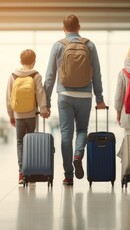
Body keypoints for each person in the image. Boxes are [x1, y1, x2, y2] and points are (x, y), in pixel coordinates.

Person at [44, 14, 106, 185]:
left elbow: (50, 76)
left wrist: (46, 103)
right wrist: (99, 98)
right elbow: (97, 74)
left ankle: (68, 175)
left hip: (64, 95)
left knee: (66, 135)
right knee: (82, 130)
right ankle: (78, 154)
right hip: (85, 95)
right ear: (79, 27)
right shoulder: (90, 45)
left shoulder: (58, 46)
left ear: (64, 29)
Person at [6, 49, 49, 185]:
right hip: (32, 114)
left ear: (20, 61)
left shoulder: (13, 76)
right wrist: (43, 110)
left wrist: (10, 114)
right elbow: (40, 94)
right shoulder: (36, 75)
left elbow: (9, 97)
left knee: (20, 142)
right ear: (34, 61)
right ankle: (30, 172)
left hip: (18, 115)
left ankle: (21, 172)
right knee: (31, 142)